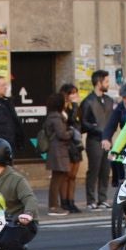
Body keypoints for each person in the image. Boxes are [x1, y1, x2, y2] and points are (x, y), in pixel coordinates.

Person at [78, 70, 118, 209]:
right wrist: (97, 129)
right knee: (94, 169)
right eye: (106, 81)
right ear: (98, 82)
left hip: (107, 140)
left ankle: (102, 198)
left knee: (106, 170)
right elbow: (83, 123)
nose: (108, 84)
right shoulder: (88, 101)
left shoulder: (109, 100)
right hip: (94, 139)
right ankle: (91, 200)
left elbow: (113, 119)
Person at [40, 85, 81, 214]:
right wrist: (70, 132)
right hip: (58, 151)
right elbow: (62, 134)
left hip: (57, 151)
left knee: (58, 178)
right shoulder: (56, 117)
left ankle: (55, 205)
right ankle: (53, 206)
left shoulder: (53, 116)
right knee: (57, 179)